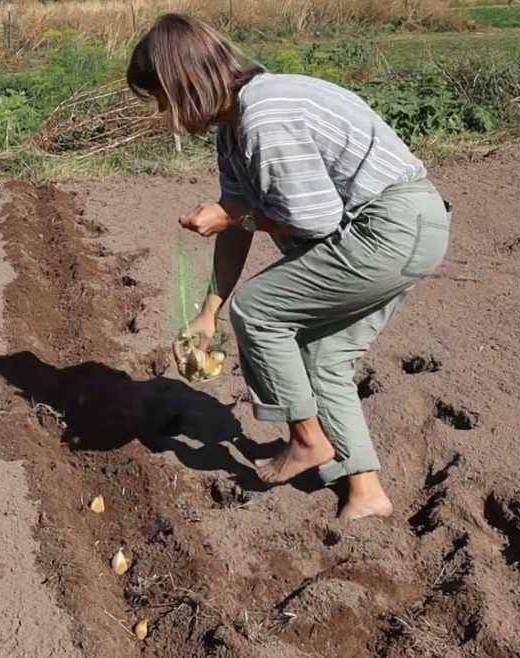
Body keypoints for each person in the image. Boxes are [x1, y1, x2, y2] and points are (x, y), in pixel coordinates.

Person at [127, 14, 450, 520]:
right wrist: (208, 312)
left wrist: (232, 214)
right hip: (409, 228)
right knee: (324, 356)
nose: (164, 112)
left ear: (182, 82)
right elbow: (236, 225)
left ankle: (307, 441)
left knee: (258, 311)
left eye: (162, 97)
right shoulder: (234, 129)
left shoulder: (263, 114)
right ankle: (366, 492)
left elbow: (313, 218)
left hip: (390, 225)